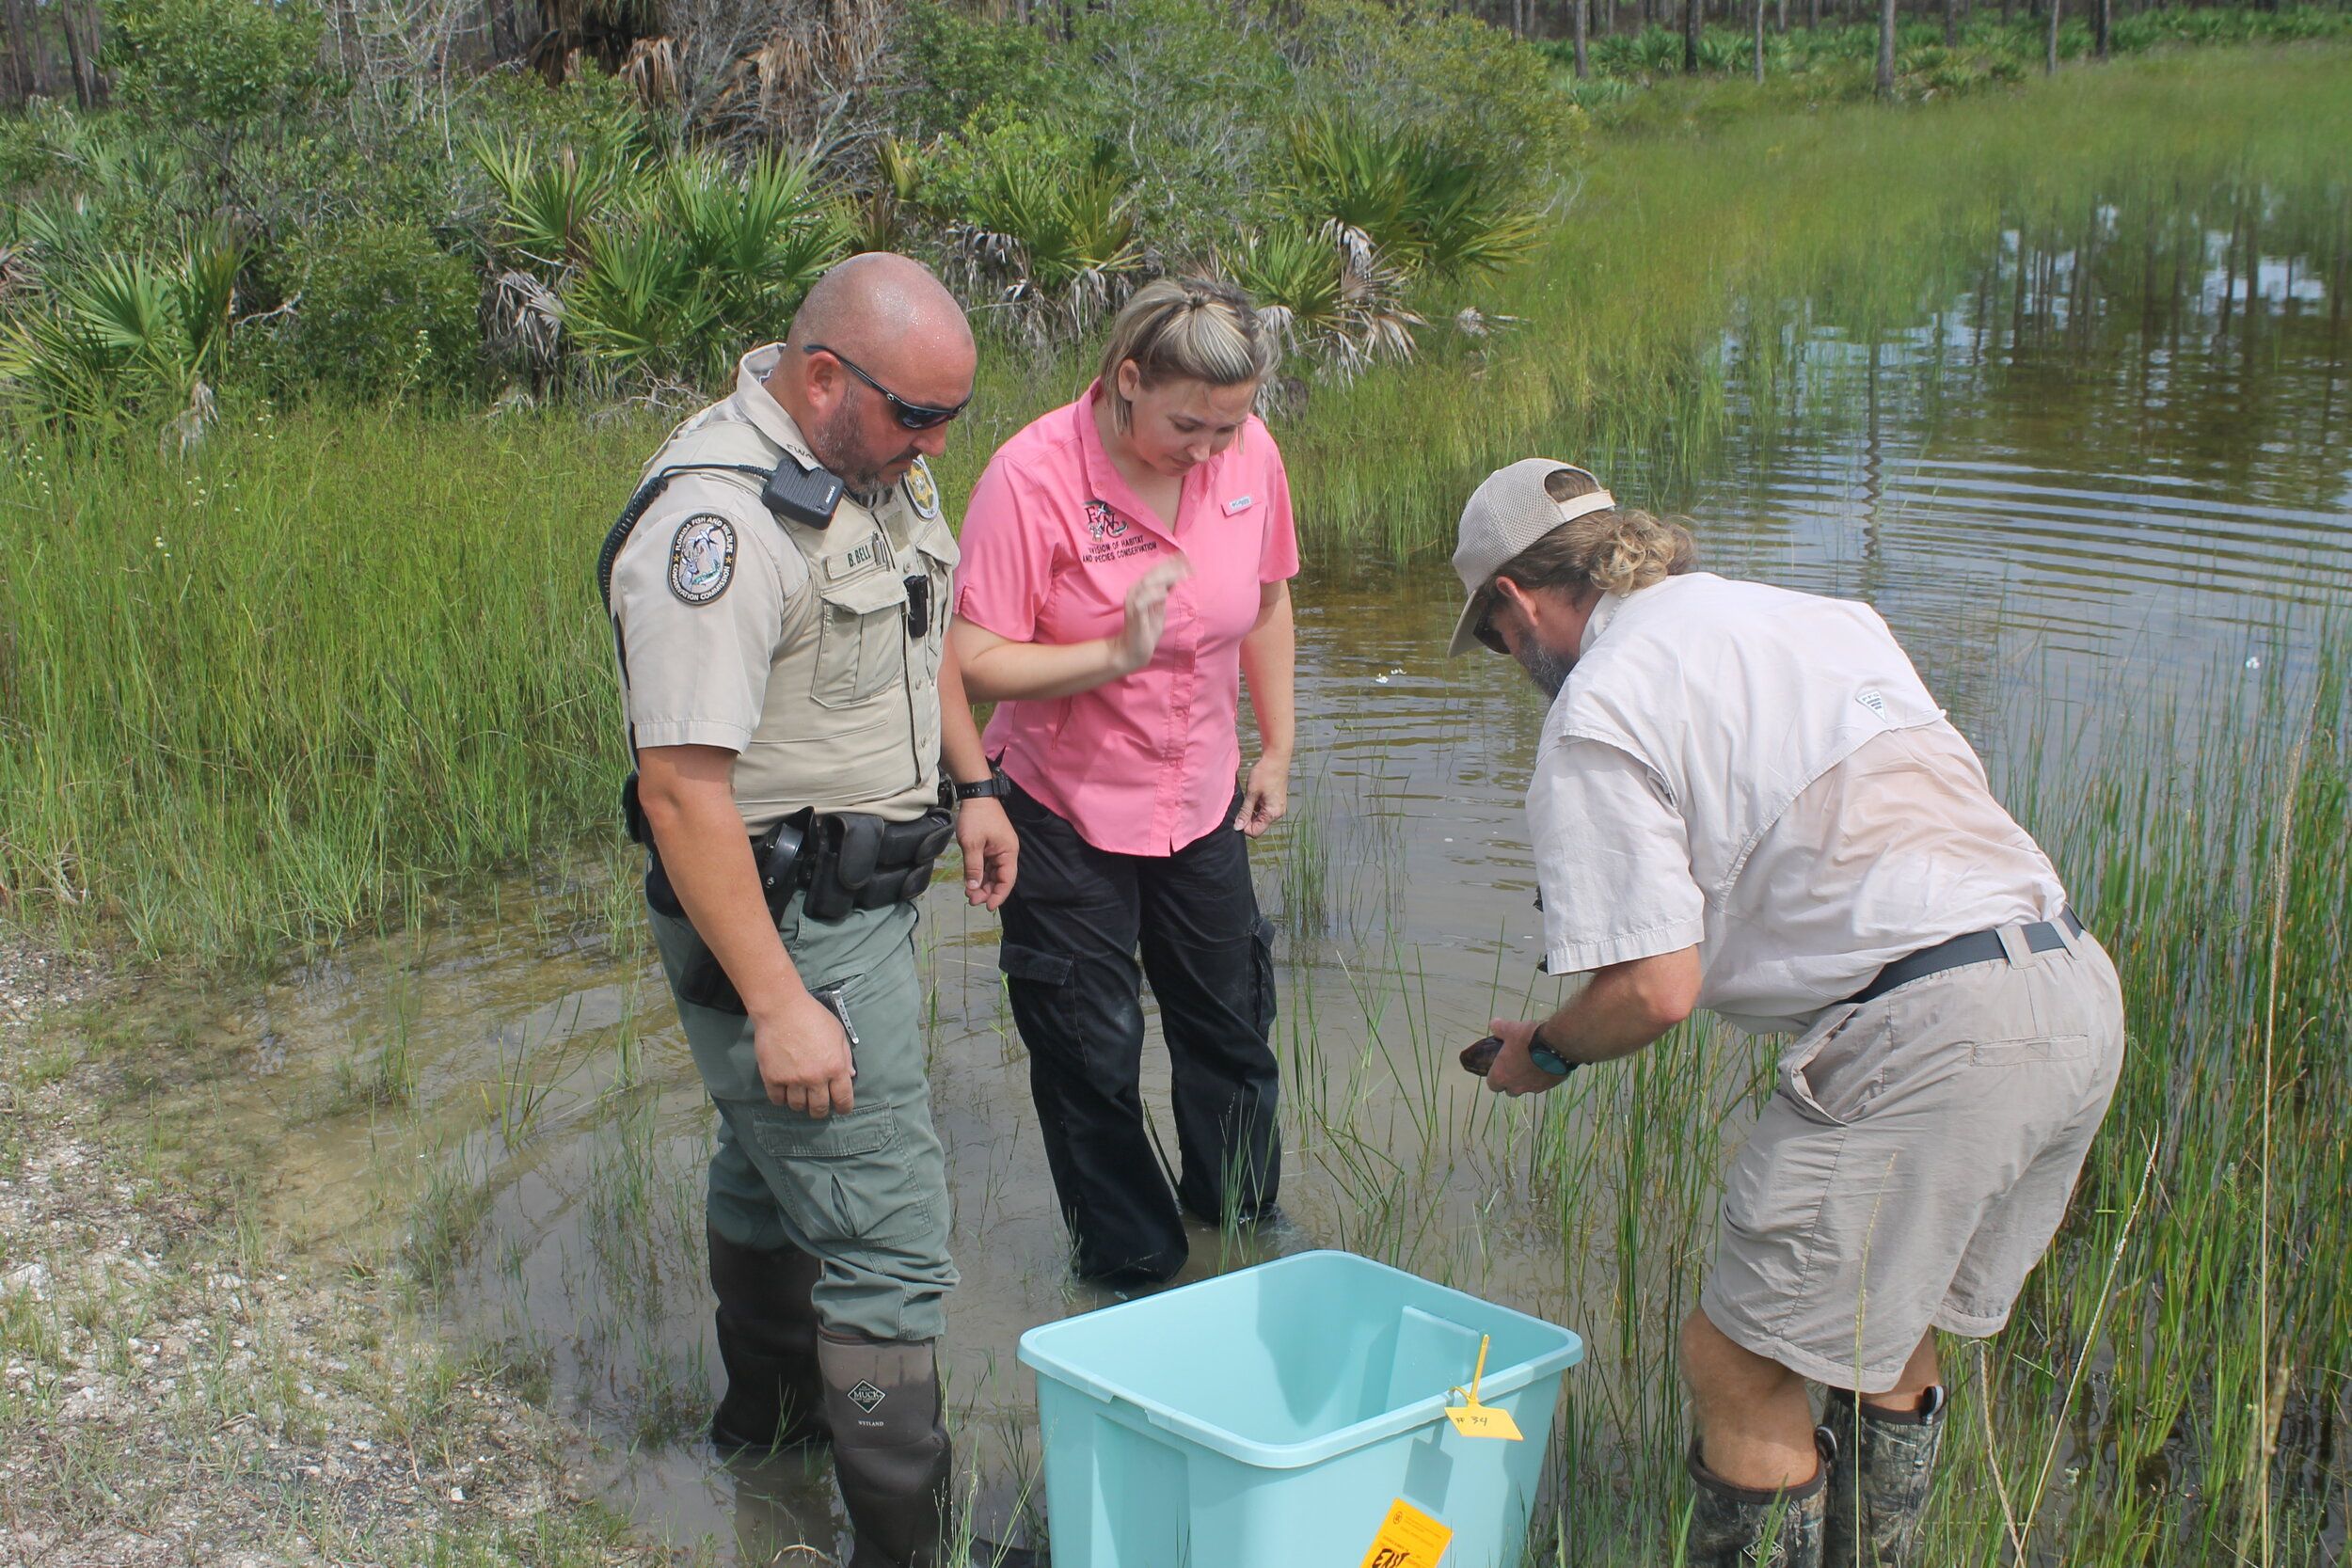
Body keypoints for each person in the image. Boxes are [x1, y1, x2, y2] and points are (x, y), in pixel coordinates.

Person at [1447, 459, 2124, 1568]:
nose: (1507, 661)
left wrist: (1550, 1051)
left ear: (1517, 605)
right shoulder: (1821, 616)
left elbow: (1654, 989)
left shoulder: (1596, 708)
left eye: (1491, 638)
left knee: (1737, 1361)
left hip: (1932, 1026)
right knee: (1881, 1331)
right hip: (2065, 978)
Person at [597, 252, 1018, 1568]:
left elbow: (917, 626)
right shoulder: (714, 527)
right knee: (887, 1235)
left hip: (862, 897)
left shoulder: (874, 462)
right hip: (785, 922)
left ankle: (764, 1449)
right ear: (823, 376)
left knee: (772, 1178)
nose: (940, 441)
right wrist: (781, 1002)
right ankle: (910, 1546)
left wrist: (976, 780)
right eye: (917, 415)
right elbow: (679, 790)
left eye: (954, 415)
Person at [946, 277, 1297, 1285]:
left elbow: (1267, 599)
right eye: (1187, 423)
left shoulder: (1249, 454)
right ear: (1125, 380)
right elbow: (971, 658)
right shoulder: (1032, 475)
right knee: (1091, 1052)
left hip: (1203, 799)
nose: (1208, 447)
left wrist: (1276, 745)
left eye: (1227, 426)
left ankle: (1238, 1233)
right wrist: (1113, 651)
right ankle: (1131, 1266)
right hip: (1062, 806)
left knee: (1231, 1032)